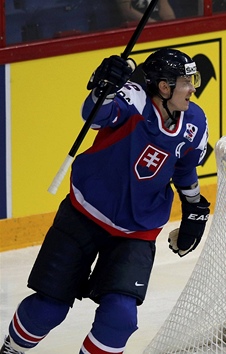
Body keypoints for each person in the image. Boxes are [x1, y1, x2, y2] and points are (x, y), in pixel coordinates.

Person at [1, 48, 210, 353]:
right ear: (164, 87)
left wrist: (193, 205)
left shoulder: (195, 121)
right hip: (84, 214)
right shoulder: (133, 100)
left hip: (136, 230)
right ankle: (12, 350)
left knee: (120, 318)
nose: (193, 87)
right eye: (186, 81)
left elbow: (185, 168)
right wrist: (104, 87)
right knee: (48, 309)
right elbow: (94, 115)